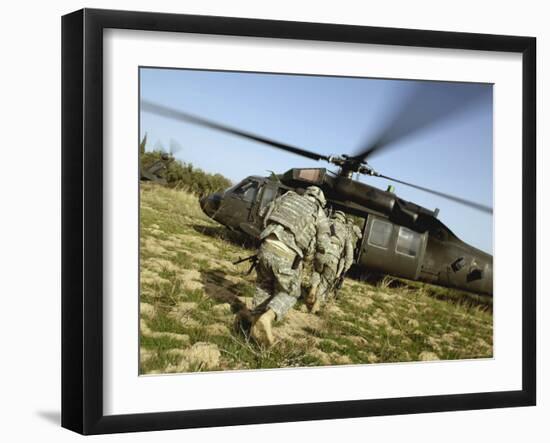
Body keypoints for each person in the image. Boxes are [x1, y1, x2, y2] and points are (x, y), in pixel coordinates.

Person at [239, 186, 330, 347]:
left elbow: (262, 214)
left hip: (266, 244)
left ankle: (254, 326)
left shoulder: (287, 196)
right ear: (321, 201)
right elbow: (323, 245)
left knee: (264, 286)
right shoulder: (319, 213)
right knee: (291, 292)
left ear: (305, 192)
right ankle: (268, 317)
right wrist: (320, 266)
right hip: (287, 253)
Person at [306, 211, 362, 313]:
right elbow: (349, 251)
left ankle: (313, 288)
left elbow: (314, 235)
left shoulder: (326, 221)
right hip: (333, 257)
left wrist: (310, 253)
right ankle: (316, 305)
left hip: (320, 253)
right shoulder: (346, 230)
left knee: (316, 271)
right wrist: (346, 266)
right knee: (326, 281)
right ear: (343, 219)